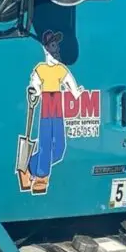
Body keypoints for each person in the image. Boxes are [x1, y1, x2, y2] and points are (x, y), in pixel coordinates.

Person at [20, 29, 83, 194]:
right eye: (53, 45)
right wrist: (34, 92)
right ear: (46, 48)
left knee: (59, 148)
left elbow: (72, 86)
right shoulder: (40, 69)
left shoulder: (61, 69)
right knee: (45, 144)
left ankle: (29, 166)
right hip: (47, 104)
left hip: (57, 106)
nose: (57, 48)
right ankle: (41, 177)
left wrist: (78, 92)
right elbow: (35, 85)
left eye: (57, 45)